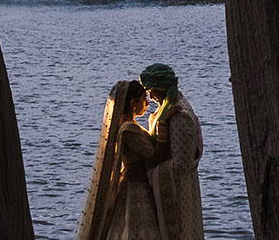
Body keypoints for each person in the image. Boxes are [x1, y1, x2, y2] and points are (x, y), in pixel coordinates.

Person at [76, 64, 203, 240]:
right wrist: (163, 124)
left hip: (138, 184)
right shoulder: (129, 129)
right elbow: (155, 155)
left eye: (150, 93)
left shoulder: (131, 126)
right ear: (133, 103)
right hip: (136, 188)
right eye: (145, 97)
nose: (149, 100)